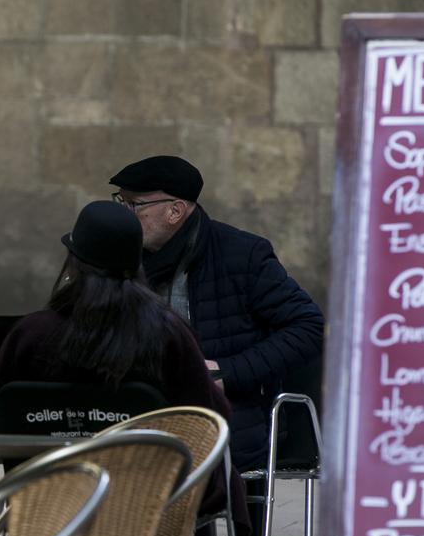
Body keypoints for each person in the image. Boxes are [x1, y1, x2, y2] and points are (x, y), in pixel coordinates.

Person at [0, 200, 246, 536]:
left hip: (50, 513)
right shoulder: (168, 334)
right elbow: (210, 418)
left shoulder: (31, 334)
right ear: (137, 263)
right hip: (152, 512)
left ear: (73, 261)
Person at [108, 155, 325, 473]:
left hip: (228, 424)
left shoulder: (241, 255)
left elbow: (308, 327)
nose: (124, 215)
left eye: (135, 205)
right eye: (121, 202)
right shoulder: (120, 257)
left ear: (175, 211)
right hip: (136, 419)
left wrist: (226, 372)